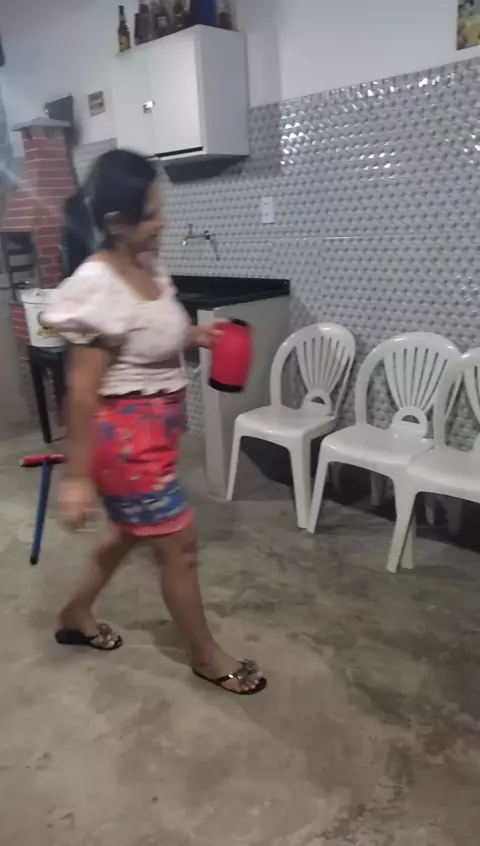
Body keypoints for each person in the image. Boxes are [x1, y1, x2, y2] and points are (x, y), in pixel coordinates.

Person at [44, 149, 266, 695]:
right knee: (179, 547)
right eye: (151, 214)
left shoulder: (148, 266)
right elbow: (82, 389)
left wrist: (192, 336)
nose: (162, 222)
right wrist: (76, 478)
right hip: (125, 445)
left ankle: (75, 613)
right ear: (116, 223)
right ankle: (206, 657)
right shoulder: (98, 286)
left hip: (153, 438)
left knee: (125, 533)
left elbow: (146, 336)